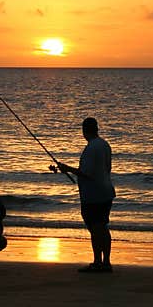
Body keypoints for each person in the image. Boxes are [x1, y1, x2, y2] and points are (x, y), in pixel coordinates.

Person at [57, 117, 114, 273]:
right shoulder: (104, 145)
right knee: (103, 227)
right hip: (106, 191)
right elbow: (107, 168)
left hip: (93, 195)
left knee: (95, 229)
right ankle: (106, 262)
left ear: (84, 131)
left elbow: (86, 173)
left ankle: (97, 262)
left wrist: (67, 168)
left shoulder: (91, 148)